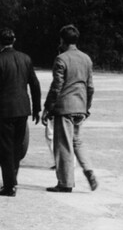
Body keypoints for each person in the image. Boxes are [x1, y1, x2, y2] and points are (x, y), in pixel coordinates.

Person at [0, 28, 42, 197]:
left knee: (5, 149)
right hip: (23, 109)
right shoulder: (26, 58)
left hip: (5, 110)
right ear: (14, 41)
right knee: (16, 147)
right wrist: (37, 108)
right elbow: (35, 84)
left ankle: (9, 186)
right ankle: (13, 180)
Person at [41, 24, 98, 192]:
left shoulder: (61, 59)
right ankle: (88, 170)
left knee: (64, 145)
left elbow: (57, 87)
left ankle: (65, 183)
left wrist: (47, 108)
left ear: (62, 40)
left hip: (65, 107)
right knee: (77, 142)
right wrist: (87, 107)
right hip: (80, 106)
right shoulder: (86, 59)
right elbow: (90, 87)